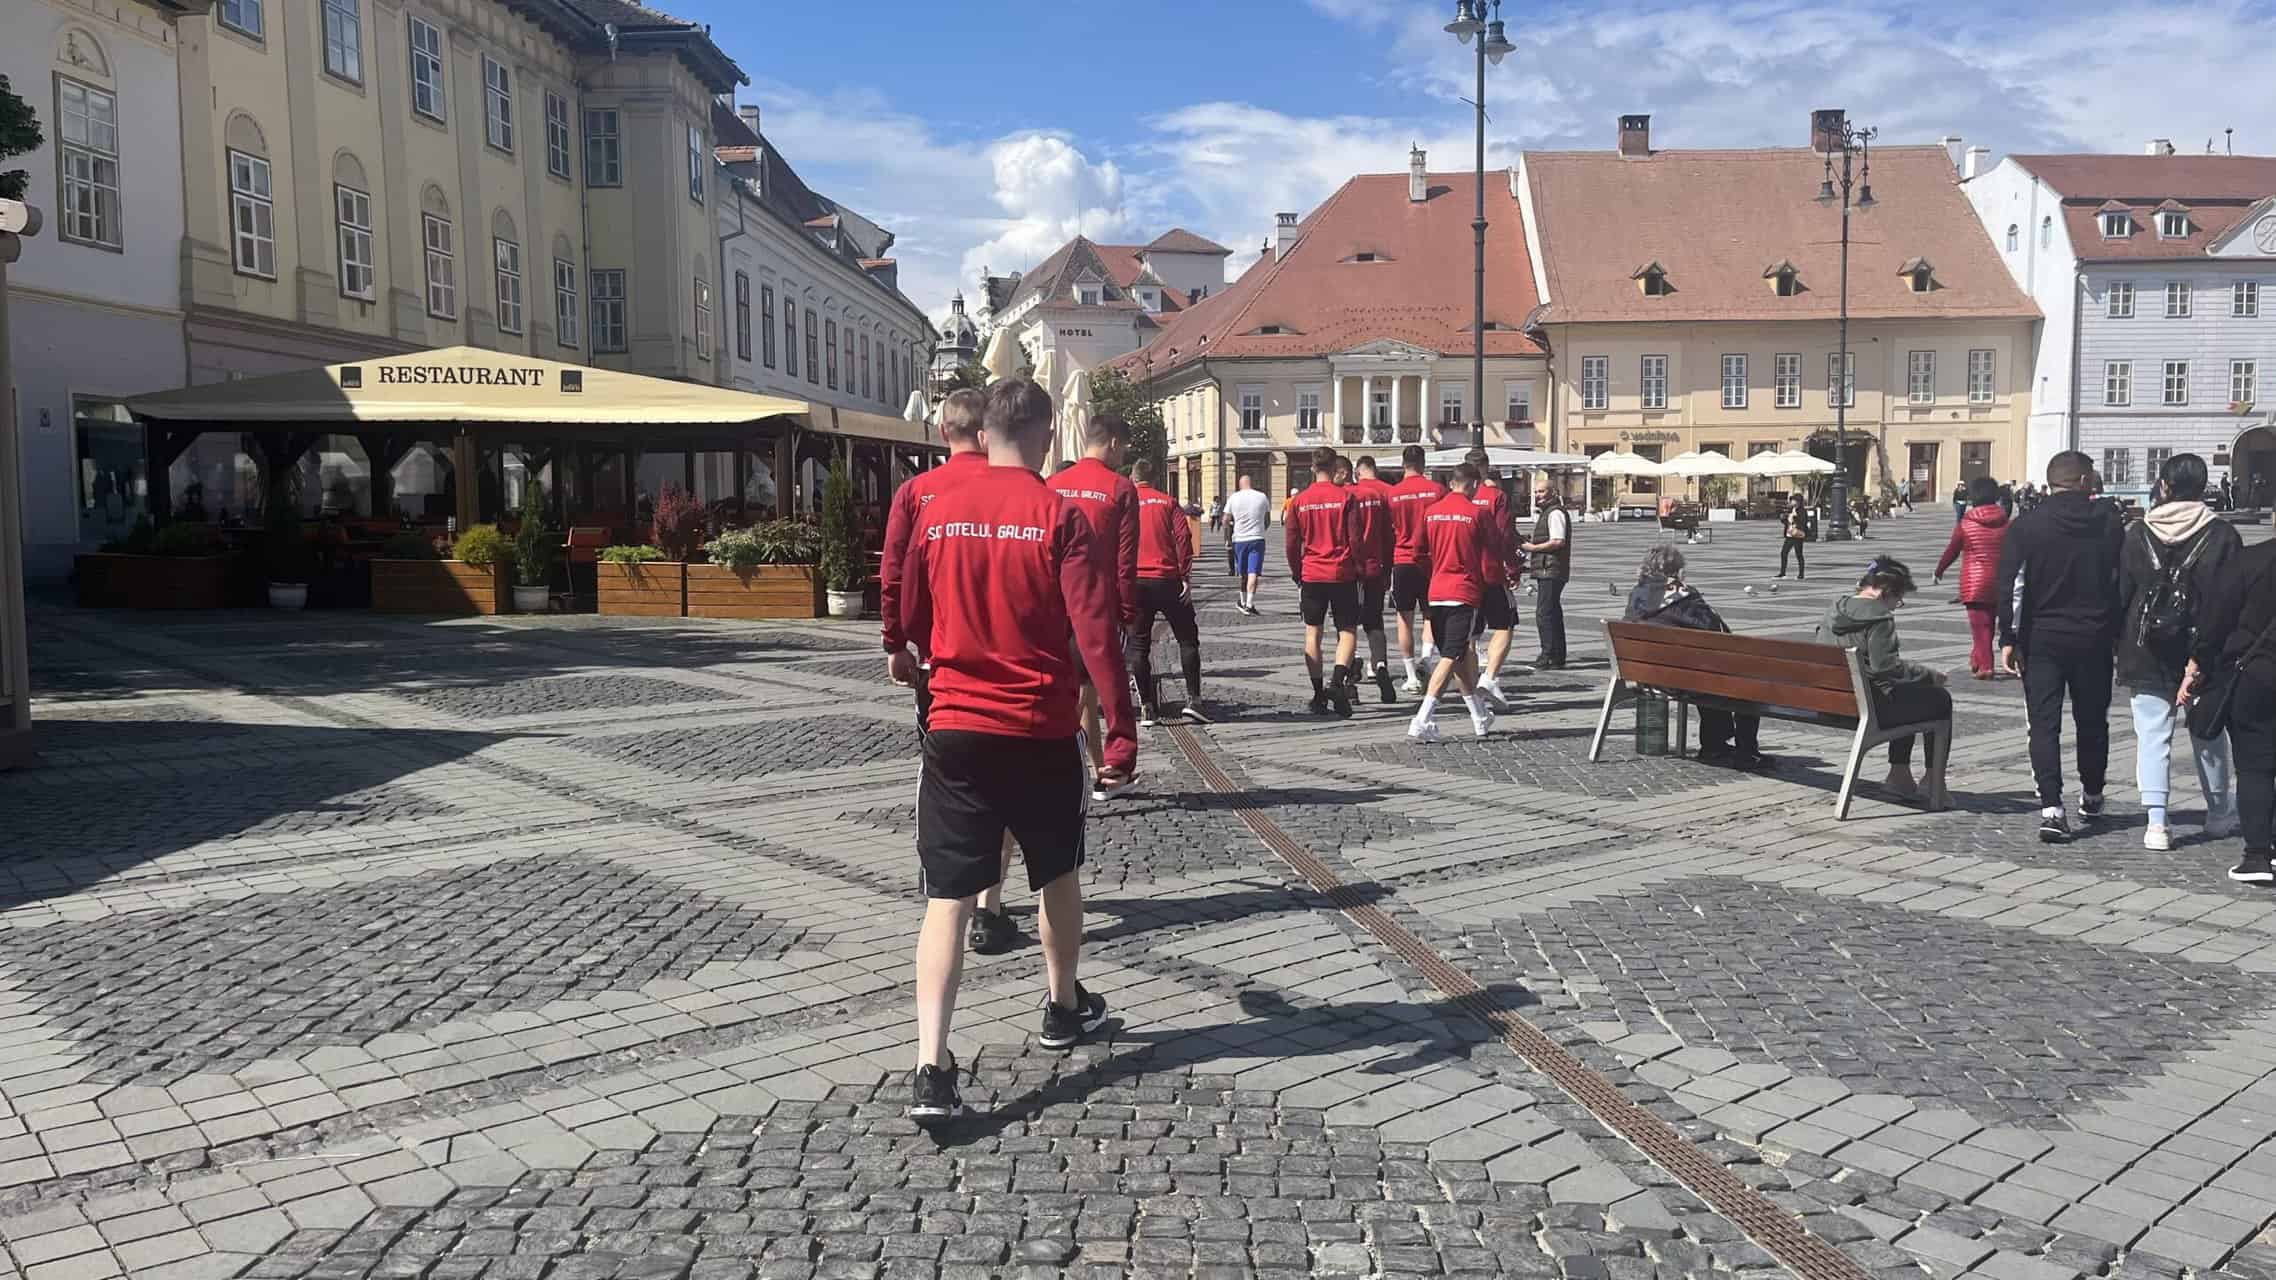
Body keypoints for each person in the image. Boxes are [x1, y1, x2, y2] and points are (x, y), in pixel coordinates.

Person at [892, 376, 1134, 1125]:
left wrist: (907, 653)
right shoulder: (1058, 515)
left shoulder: (937, 507)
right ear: (1047, 433)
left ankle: (932, 1065)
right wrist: (1119, 733)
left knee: (947, 898)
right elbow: (1095, 632)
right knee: (1056, 873)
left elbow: (907, 608)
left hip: (956, 726)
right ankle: (1063, 1008)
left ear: (981, 431)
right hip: (1036, 726)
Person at [881, 391, 1026, 955]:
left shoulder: (917, 492)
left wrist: (899, 644)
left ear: (942, 431)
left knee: (943, 775)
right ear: (986, 431)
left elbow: (895, 575)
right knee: (1011, 788)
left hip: (943, 666)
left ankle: (946, 889)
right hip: (1012, 668)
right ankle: (990, 906)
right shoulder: (1009, 488)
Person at [1996, 449, 2127, 843]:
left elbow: (2013, 587)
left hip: (2043, 639)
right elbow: (2120, 582)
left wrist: (2009, 638)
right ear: (2086, 481)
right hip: (2095, 636)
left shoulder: (2028, 526)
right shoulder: (2110, 524)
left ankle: (2052, 808)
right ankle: (2092, 792)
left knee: (2044, 724)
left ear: (2051, 482)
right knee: (2092, 720)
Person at [2119, 453, 2240, 852]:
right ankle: (2220, 813)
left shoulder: (2137, 532)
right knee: (2208, 731)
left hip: (2146, 646)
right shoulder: (2221, 534)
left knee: (2152, 736)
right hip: (2204, 646)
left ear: (2164, 487)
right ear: (2203, 487)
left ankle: (2157, 823)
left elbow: (2123, 593)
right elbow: (2230, 598)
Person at [1048, 414, 1141, 805]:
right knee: (1107, 682)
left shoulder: (1052, 485)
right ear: (1115, 443)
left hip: (1054, 604)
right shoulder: (1120, 488)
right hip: (1098, 601)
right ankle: (1115, 763)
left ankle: (1064, 764)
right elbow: (1125, 561)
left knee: (1071, 689)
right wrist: (1128, 609)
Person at [1818, 556, 1952, 806]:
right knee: (1940, 699)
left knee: (1906, 692)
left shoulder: (1834, 607)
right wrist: (1932, 676)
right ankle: (1933, 782)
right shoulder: (1879, 617)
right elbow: (1886, 667)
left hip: (1831, 702)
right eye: (1897, 600)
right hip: (1866, 707)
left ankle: (1899, 777)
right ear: (1886, 592)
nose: (1895, 606)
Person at [2182, 536, 2276, 883]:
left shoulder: (2248, 561)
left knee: (2255, 766)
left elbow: (2215, 621)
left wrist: (2198, 664)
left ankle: (2257, 856)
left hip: (2254, 675)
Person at [1627, 545, 1769, 769]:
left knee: (1703, 675)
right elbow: (1714, 633)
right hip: (1681, 680)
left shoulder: (1637, 594)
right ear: (1677, 571)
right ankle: (1740, 749)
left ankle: (1716, 745)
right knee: (1743, 685)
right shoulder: (1684, 595)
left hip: (1646, 675)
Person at [1407, 463, 1497, 742]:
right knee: (1449, 657)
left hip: (1437, 591)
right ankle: (1423, 718)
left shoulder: (1431, 512)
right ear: (1470, 484)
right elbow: (1491, 554)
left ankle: (1479, 717)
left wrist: (1434, 571)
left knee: (1456, 657)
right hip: (1463, 592)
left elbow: (1418, 551)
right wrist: (1491, 584)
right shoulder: (1477, 514)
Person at [1128, 458, 1209, 725]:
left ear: (1133, 477)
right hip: (1167, 579)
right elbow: (1183, 537)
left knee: (1139, 645)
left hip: (1136, 580)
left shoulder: (1125, 503)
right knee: (1187, 639)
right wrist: (1185, 574)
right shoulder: (1167, 502)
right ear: (1156, 479)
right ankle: (1194, 701)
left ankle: (1148, 707)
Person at [1285, 446, 1364, 717]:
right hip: (1342, 572)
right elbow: (1355, 539)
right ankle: (1336, 682)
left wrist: (1297, 571)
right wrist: (1360, 568)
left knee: (1312, 634)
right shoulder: (1345, 498)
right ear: (1334, 469)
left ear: (1312, 468)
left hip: (1312, 573)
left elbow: (1292, 543)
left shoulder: (1299, 501)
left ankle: (1318, 695)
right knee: (1348, 630)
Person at [1934, 477, 2011, 678]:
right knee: (1991, 625)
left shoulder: (1966, 523)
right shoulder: (2006, 522)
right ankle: (1977, 660)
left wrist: (1939, 570)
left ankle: (1986, 666)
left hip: (1975, 582)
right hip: (2002, 581)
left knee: (1981, 627)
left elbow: (1952, 550)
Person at [1387, 444, 1447, 694]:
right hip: (1430, 561)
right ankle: (1426, 660)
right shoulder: (1437, 491)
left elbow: (1388, 529)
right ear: (1423, 464)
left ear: (1404, 464)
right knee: (1431, 615)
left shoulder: (1393, 494)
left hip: (1402, 560)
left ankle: (1411, 675)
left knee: (1404, 619)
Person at [1463, 448, 1519, 707]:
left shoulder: (1455, 500)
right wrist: (1513, 567)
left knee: (1471, 636)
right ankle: (1490, 678)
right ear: (1486, 467)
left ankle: (1473, 690)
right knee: (1505, 625)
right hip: (1492, 571)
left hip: (1465, 575)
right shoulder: (1496, 497)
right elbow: (1505, 536)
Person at [1350, 457, 1400, 703]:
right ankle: (1380, 665)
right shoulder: (1385, 495)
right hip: (1376, 568)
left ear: (1357, 473)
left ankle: (1351, 674)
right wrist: (1388, 569)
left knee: (1346, 625)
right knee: (1374, 622)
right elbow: (1389, 536)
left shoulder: (1348, 495)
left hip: (1350, 571)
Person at [1519, 476, 1572, 669]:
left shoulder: (1555, 513)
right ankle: (1557, 656)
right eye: (1536, 492)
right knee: (1552, 612)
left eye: (1541, 491)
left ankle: (1548, 655)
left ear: (1552, 492)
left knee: (1545, 613)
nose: (1538, 495)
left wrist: (1532, 548)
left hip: (1551, 569)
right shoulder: (1548, 512)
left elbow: (1558, 541)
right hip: (1548, 568)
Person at [1223, 473, 1271, 615]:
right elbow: (1266, 520)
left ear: (1240, 484)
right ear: (1251, 483)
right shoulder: (1262, 496)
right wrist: (1260, 530)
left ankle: (1242, 601)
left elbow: (1225, 519)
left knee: (1242, 573)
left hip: (1239, 540)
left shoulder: (1234, 497)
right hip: (1257, 538)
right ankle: (1249, 603)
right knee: (1253, 572)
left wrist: (1230, 528)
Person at [1777, 494, 1814, 580]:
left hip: (1797, 535)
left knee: (1799, 554)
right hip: (1789, 534)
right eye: (1791, 500)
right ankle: (1782, 573)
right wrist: (1783, 519)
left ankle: (1801, 574)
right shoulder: (1791, 509)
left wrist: (1795, 517)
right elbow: (1787, 522)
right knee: (1784, 553)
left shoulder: (1802, 511)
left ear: (1798, 502)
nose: (1791, 502)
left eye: (1793, 500)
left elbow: (1803, 523)